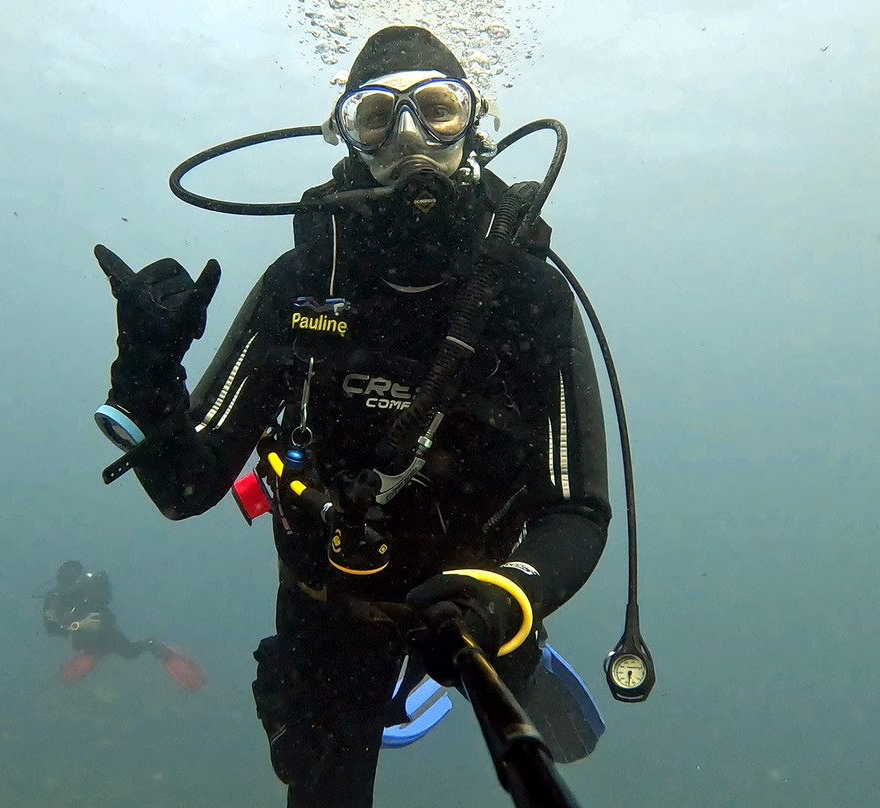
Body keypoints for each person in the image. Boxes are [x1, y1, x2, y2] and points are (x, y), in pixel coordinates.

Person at [94, 25, 609, 807]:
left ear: (476, 126)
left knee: (549, 745)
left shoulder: (529, 296)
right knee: (317, 782)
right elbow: (184, 488)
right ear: (347, 137)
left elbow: (577, 509)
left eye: (435, 109)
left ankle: (516, 658)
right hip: (330, 598)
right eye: (378, 118)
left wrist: (510, 594)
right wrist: (145, 372)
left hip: (471, 593)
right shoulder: (303, 284)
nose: (409, 140)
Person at [42, 560, 204, 691]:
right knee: (122, 651)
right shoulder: (54, 599)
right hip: (89, 640)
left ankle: (156, 648)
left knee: (129, 652)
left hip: (107, 633)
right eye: (65, 580)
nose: (70, 586)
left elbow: (105, 600)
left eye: (73, 579)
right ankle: (97, 655)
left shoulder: (87, 587)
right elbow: (52, 629)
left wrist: (97, 583)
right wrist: (78, 625)